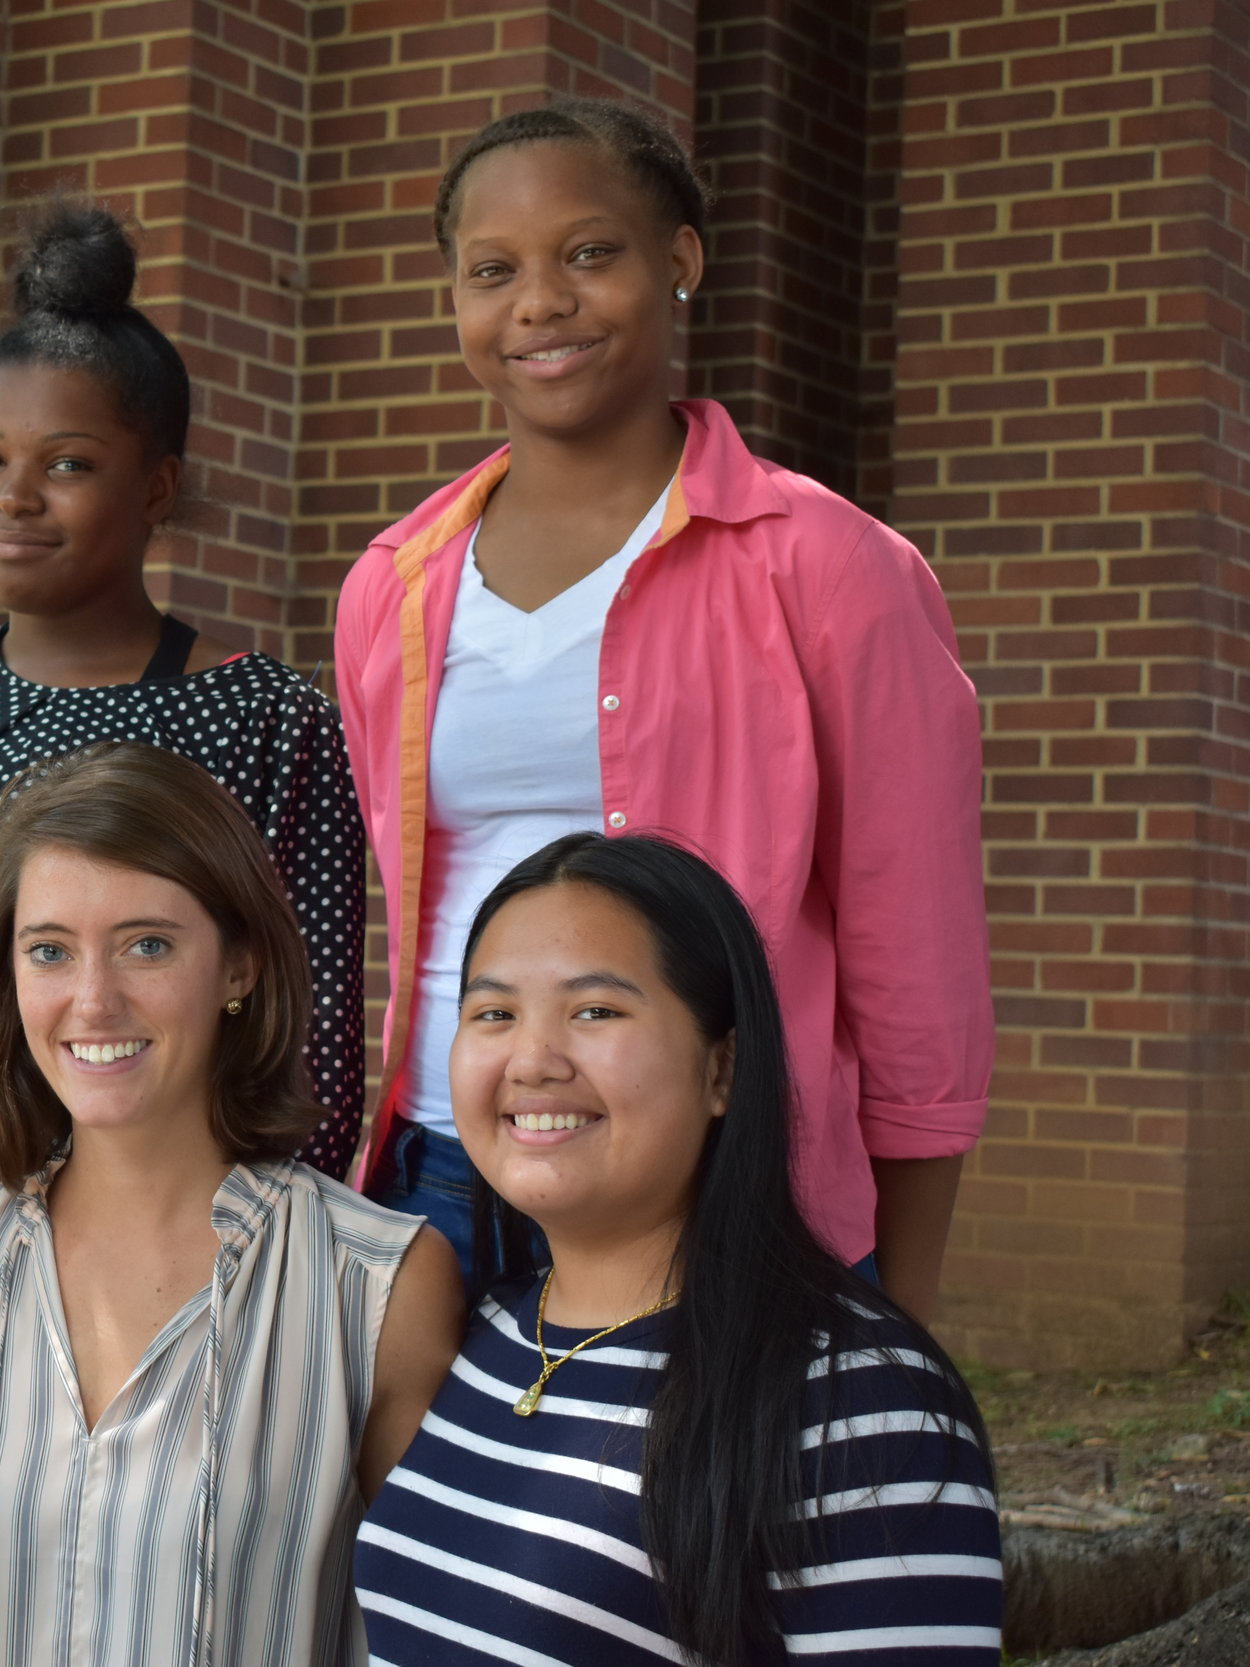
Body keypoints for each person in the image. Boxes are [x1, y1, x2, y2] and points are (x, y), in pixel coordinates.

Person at [335, 98, 990, 1315]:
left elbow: (919, 961)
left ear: (677, 261)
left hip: (716, 1183)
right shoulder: (393, 584)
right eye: (492, 270)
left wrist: (899, 1295)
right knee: (441, 1512)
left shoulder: (827, 568)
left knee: (701, 1513)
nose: (539, 302)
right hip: (438, 1170)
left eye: (588, 252)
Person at [0, 199, 368, 1280]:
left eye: (69, 464)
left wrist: (227, 1275)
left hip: (88, 1262)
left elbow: (300, 1049)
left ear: (157, 488)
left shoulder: (257, 718)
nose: (13, 498)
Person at [353, 831, 1001, 1664]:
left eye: (596, 1010)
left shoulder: (860, 1405)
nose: (534, 1058)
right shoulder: (486, 1338)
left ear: (723, 1066)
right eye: (494, 1013)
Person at [0, 742, 457, 1667]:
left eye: (148, 944)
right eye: (49, 950)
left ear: (239, 967)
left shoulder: (376, 1281)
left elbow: (422, 1635)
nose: (93, 999)